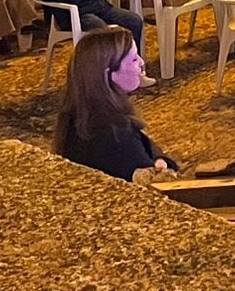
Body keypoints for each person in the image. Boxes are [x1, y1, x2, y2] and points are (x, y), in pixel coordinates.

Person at [55, 24, 174, 180]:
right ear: (108, 74)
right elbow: (156, 186)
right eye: (133, 59)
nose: (141, 62)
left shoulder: (79, 114)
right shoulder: (116, 135)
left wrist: (159, 159)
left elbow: (146, 145)